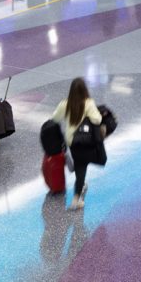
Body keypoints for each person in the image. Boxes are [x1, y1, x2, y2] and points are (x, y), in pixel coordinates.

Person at [53, 76, 105, 211]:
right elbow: (97, 120)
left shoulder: (65, 104)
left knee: (79, 165)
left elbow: (55, 118)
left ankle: (77, 195)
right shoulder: (89, 103)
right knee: (82, 167)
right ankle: (77, 196)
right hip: (86, 141)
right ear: (85, 90)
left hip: (73, 142)